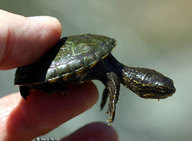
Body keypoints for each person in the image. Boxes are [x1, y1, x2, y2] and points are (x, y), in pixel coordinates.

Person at [0, 10, 119, 141]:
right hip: (38, 72)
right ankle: (47, 87)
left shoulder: (110, 68)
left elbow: (112, 80)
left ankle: (48, 87)